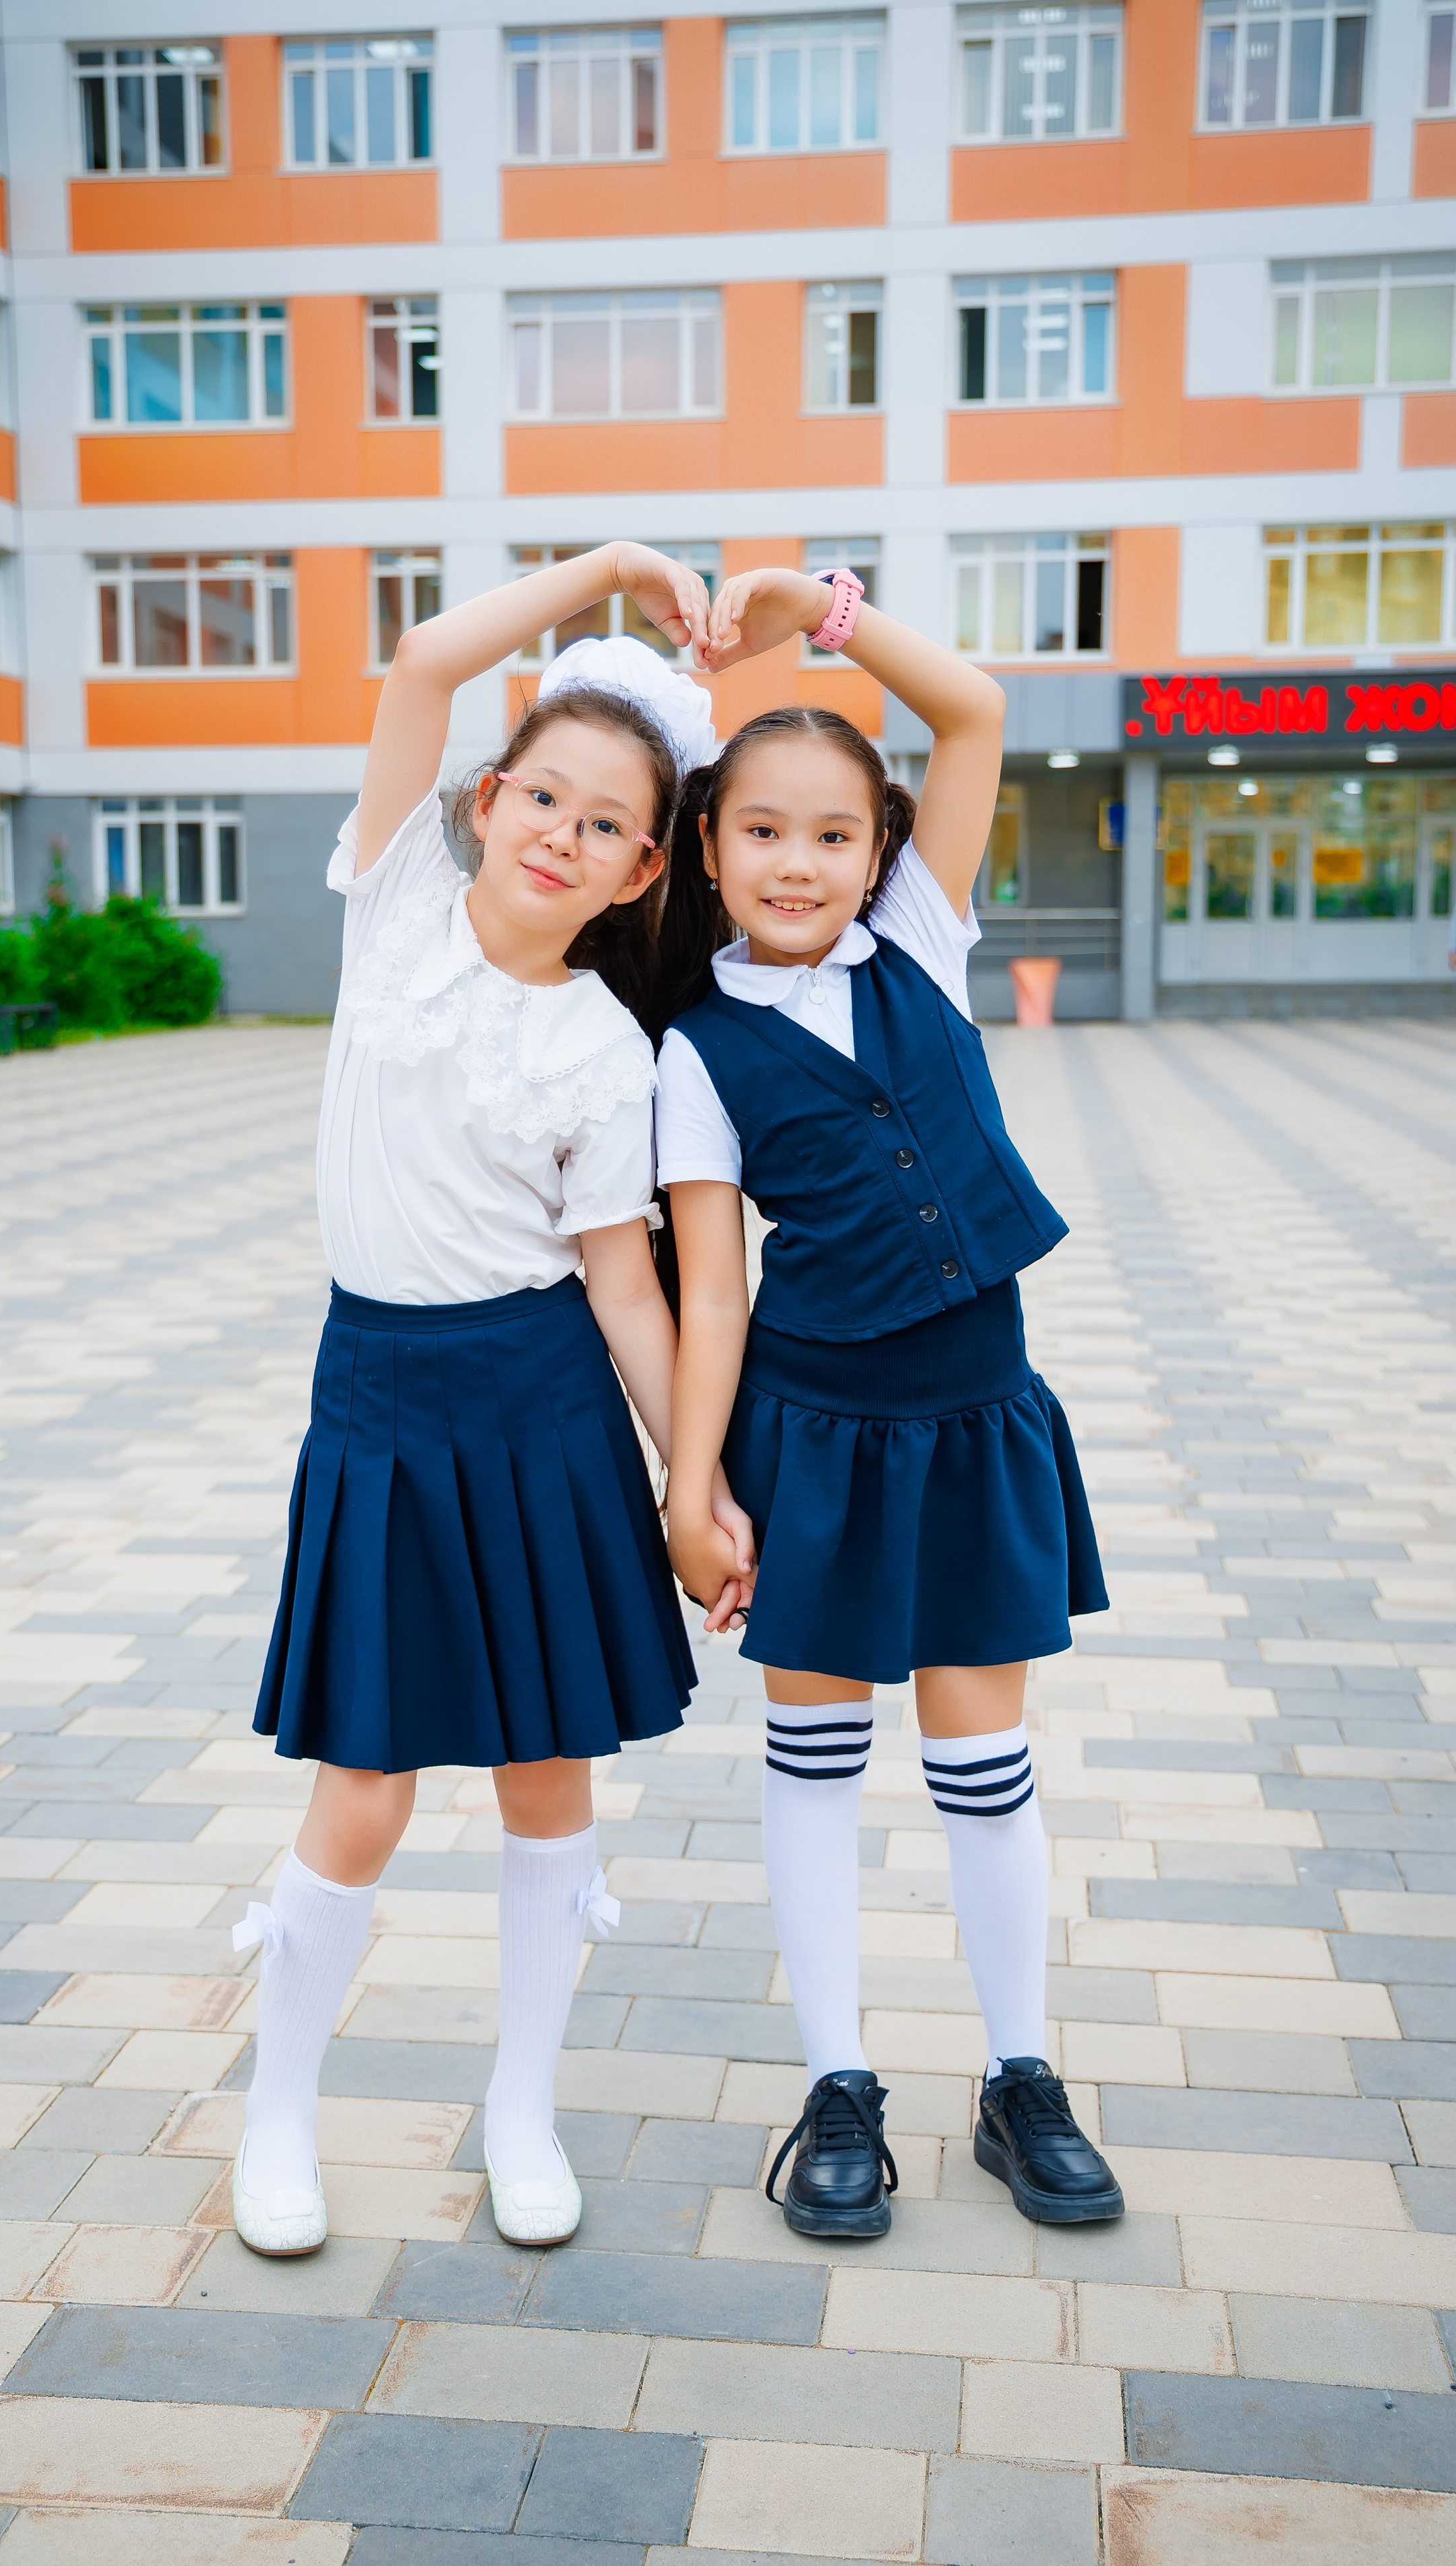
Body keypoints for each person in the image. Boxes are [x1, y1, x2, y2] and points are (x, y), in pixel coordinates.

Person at [235, 546, 754, 2259]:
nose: (568, 833)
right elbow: (421, 656)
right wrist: (602, 573)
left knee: (548, 1778)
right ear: (486, 794)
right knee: (362, 1786)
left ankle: (520, 2115)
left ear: (643, 868)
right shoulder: (388, 896)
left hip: (536, 1414)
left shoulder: (608, 1048)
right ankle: (278, 2118)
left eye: (612, 822)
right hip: (378, 1394)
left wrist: (691, 1489)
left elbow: (622, 1286)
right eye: (547, 793)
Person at [653, 563, 1123, 2238]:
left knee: (983, 1752)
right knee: (815, 1754)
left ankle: (1018, 2076)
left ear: (879, 852)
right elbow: (710, 1289)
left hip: (977, 1411)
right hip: (813, 1432)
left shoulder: (917, 937)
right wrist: (689, 1490)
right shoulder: (693, 1049)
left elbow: (977, 710)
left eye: (832, 835)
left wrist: (812, 609)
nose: (798, 864)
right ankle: (836, 2082)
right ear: (710, 850)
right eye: (762, 833)